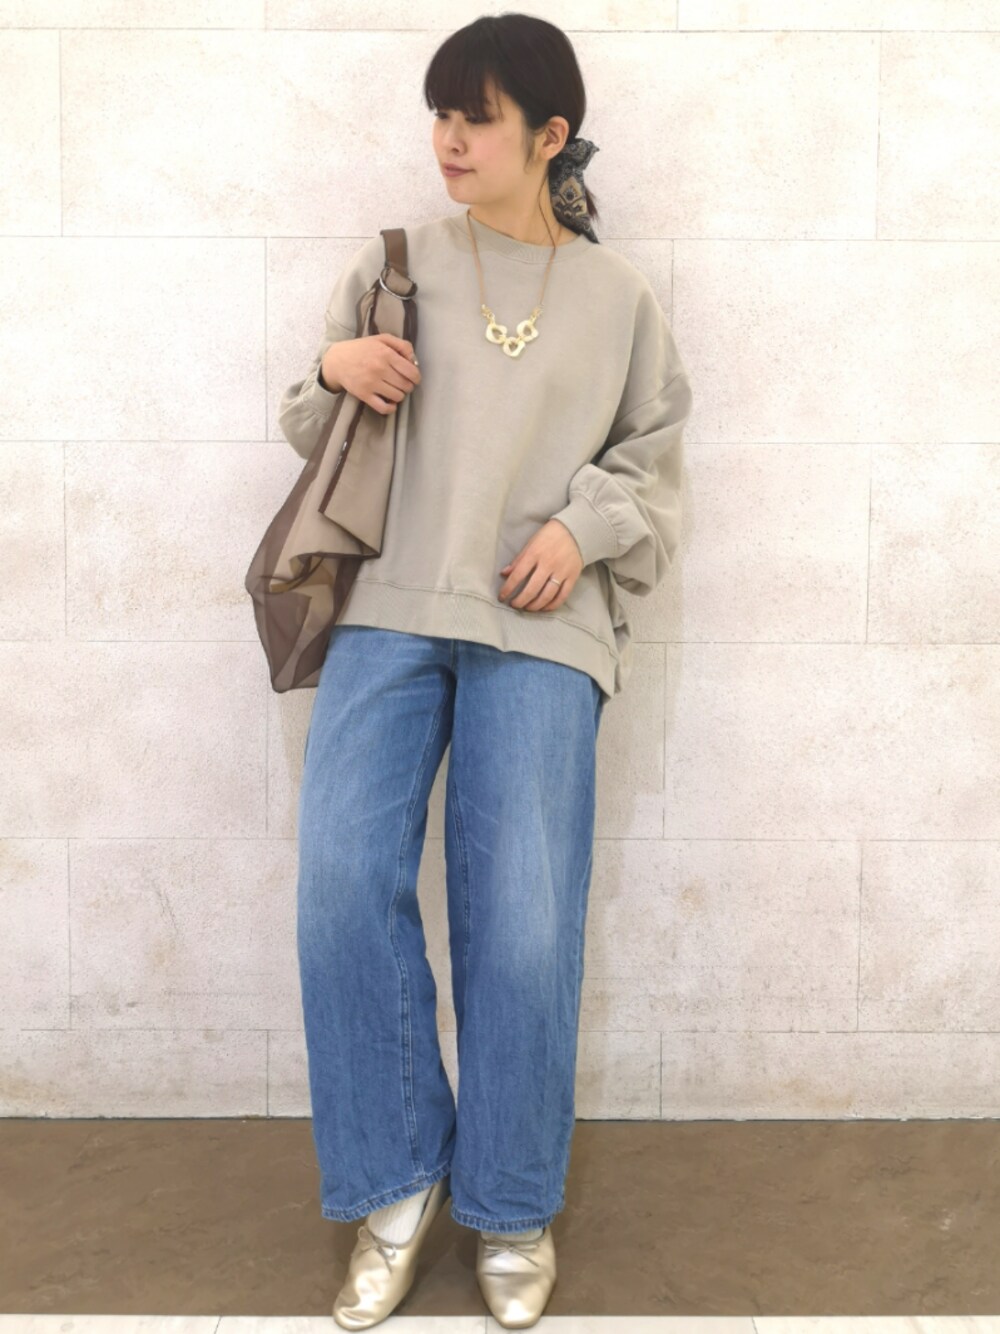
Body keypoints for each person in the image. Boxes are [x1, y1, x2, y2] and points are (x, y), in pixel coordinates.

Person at [279, 14, 693, 1330]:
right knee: (341, 882)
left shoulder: (617, 299)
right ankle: (397, 1182)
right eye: (441, 114)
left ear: (551, 135)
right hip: (392, 607)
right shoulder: (398, 263)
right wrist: (334, 366)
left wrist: (582, 528)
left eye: (479, 117)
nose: (449, 140)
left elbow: (653, 462)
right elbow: (310, 424)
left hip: (544, 625)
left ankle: (510, 1201)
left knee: (522, 917)